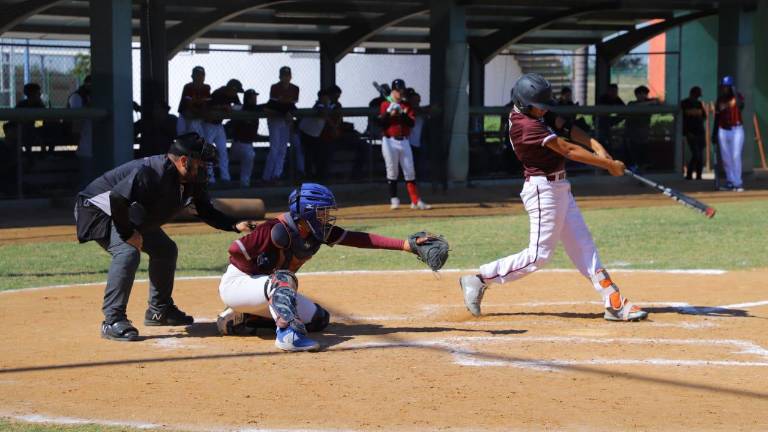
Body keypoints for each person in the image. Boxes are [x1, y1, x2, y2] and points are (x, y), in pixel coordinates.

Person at [459, 73, 648, 323]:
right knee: (538, 255)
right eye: (538, 106)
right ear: (524, 103)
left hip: (559, 188)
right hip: (542, 192)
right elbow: (567, 148)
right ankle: (480, 279)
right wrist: (608, 165)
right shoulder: (525, 125)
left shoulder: (535, 111)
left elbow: (567, 127)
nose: (543, 110)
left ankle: (613, 300)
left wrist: (595, 144)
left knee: (584, 245)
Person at [74, 133, 259, 341]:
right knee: (127, 252)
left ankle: (159, 310)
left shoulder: (191, 180)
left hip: (126, 211)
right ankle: (112, 320)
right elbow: (116, 198)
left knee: (165, 250)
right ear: (184, 161)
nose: (205, 170)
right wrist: (128, 233)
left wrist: (234, 225)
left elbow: (205, 210)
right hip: (99, 209)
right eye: (201, 165)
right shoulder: (152, 172)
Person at [215, 183, 445, 351]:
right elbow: (235, 250)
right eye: (321, 212)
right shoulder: (275, 229)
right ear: (307, 212)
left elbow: (359, 239)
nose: (326, 217)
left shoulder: (316, 232)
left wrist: (405, 245)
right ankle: (287, 336)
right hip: (238, 285)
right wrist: (260, 270)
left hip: (266, 290)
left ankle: (243, 319)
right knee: (283, 278)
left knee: (318, 319)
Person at [379, 78, 430, 210]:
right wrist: (389, 113)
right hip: (389, 141)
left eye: (402, 90)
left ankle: (415, 201)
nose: (400, 93)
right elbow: (382, 124)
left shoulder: (406, 105)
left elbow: (411, 123)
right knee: (392, 171)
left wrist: (401, 114)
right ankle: (394, 200)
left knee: (410, 171)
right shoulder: (385, 104)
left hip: (404, 141)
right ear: (393, 91)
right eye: (398, 90)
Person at [263, 66, 300, 182]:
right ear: (280, 76)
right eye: (283, 75)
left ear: (291, 76)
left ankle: (277, 175)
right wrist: (286, 108)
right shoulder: (275, 87)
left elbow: (291, 103)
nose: (286, 77)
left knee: (282, 149)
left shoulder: (295, 88)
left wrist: (286, 107)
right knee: (274, 148)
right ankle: (267, 177)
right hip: (275, 118)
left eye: (287, 75)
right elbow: (276, 103)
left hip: (285, 119)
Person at [204, 78, 244, 184]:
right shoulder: (218, 93)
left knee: (223, 152)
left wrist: (230, 108)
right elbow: (209, 107)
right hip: (208, 125)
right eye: (235, 90)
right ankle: (210, 179)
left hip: (219, 125)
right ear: (231, 88)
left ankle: (225, 178)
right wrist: (222, 107)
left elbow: (239, 106)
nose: (236, 93)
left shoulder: (233, 95)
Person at [713, 75, 745, 192]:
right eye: (723, 86)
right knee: (726, 158)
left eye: (727, 86)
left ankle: (738, 182)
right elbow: (717, 117)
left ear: (731, 87)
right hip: (723, 130)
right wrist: (714, 133)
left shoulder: (738, 97)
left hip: (737, 129)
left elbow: (741, 106)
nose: (724, 88)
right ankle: (730, 181)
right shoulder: (720, 99)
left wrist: (734, 91)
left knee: (736, 155)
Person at [229, 89, 264, 188]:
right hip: (237, 144)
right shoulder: (239, 108)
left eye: (255, 97)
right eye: (253, 97)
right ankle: (242, 183)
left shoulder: (256, 110)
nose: (255, 99)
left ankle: (244, 184)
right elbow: (231, 108)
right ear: (248, 99)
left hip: (247, 145)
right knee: (250, 154)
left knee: (249, 153)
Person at [623, 85, 660, 172]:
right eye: (641, 94)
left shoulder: (650, 104)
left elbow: (659, 104)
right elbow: (633, 106)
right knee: (633, 155)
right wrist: (649, 103)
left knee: (643, 156)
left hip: (644, 135)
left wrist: (655, 101)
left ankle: (642, 171)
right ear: (637, 95)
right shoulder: (632, 104)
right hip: (632, 135)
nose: (644, 96)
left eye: (645, 94)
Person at [68, 75, 93, 188]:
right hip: (86, 146)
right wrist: (76, 137)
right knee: (86, 179)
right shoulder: (78, 97)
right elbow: (76, 121)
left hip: (89, 145)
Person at [681, 86, 707, 180]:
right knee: (696, 154)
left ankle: (699, 175)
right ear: (692, 94)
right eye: (696, 95)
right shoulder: (684, 103)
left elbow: (704, 116)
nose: (697, 97)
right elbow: (682, 120)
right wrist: (687, 132)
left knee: (700, 154)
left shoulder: (699, 104)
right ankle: (689, 174)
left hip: (700, 132)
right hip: (691, 132)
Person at [177, 66, 210, 137]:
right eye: (197, 75)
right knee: (182, 136)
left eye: (202, 75)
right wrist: (199, 103)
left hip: (197, 118)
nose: (200, 77)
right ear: (192, 76)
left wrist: (197, 102)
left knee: (197, 136)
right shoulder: (188, 87)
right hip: (185, 116)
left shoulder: (206, 88)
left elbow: (206, 104)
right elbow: (188, 105)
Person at [596, 83, 625, 156]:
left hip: (610, 125)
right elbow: (600, 112)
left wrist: (613, 121)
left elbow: (624, 111)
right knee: (602, 141)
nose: (614, 93)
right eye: (612, 91)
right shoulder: (603, 99)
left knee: (612, 142)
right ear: (608, 91)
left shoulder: (617, 99)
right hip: (601, 124)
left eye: (615, 91)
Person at [406, 88, 428, 180]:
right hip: (407, 143)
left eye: (418, 100)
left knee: (419, 164)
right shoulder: (406, 110)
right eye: (415, 100)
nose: (417, 102)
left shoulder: (421, 112)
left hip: (418, 143)